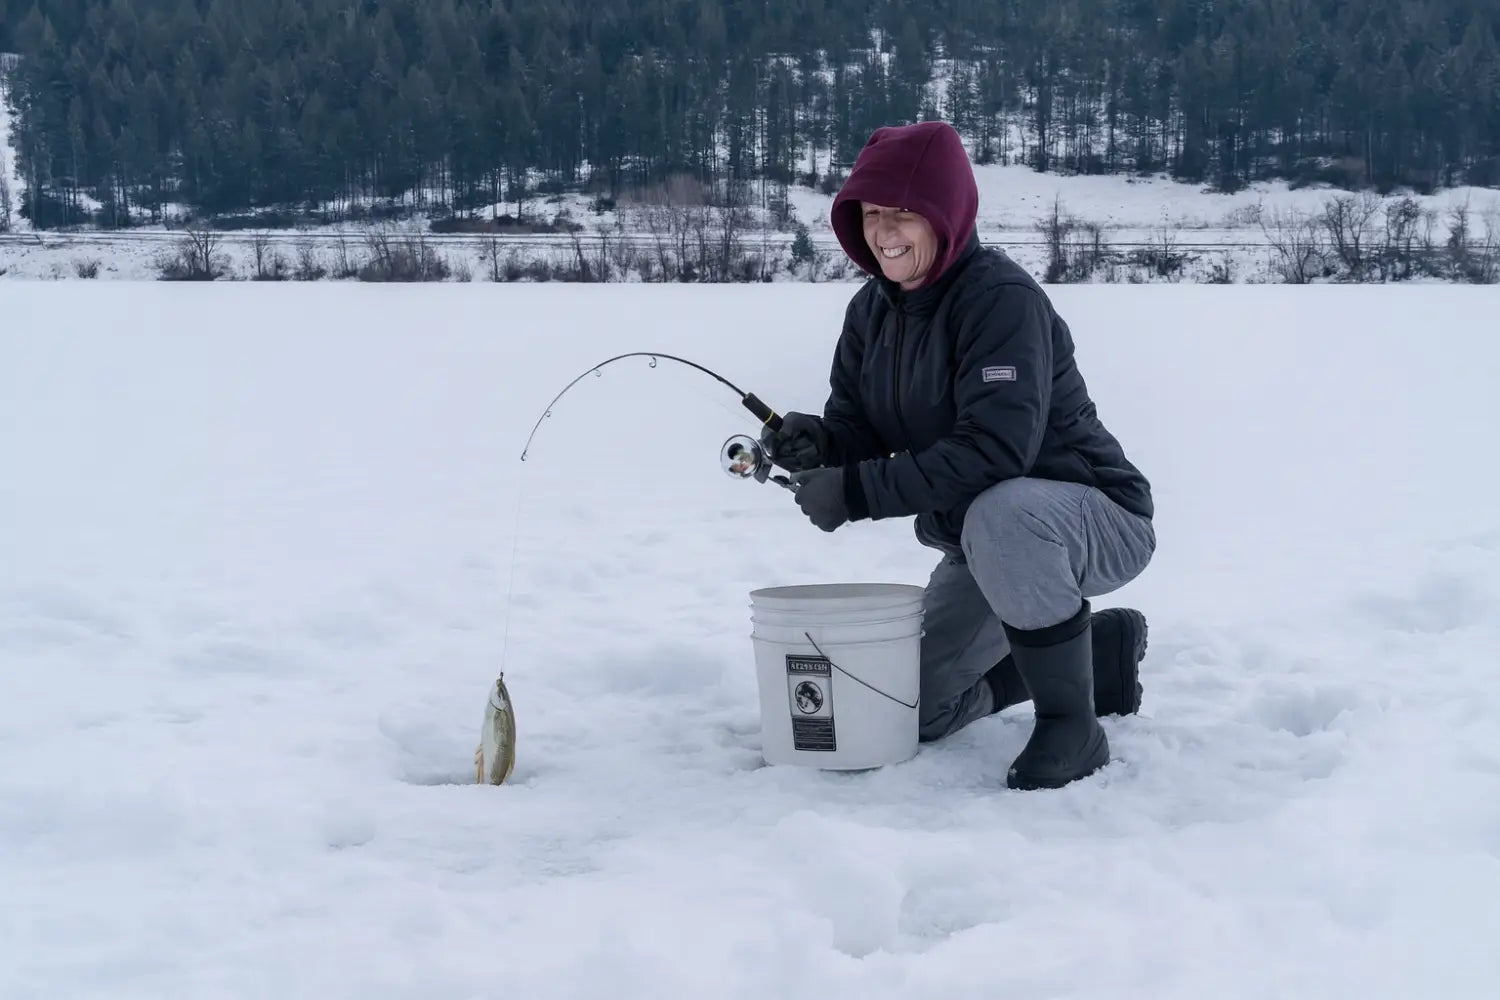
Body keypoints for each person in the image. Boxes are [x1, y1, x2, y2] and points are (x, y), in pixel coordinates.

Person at [761, 120, 1156, 791]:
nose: (884, 231)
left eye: (903, 213)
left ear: (944, 214)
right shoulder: (871, 312)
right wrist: (822, 443)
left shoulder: (1001, 302)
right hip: (986, 543)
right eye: (872, 213)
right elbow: (860, 426)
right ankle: (1097, 655)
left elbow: (995, 452)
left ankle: (1071, 723)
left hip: (1092, 518)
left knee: (1004, 510)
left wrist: (855, 493)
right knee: (903, 709)